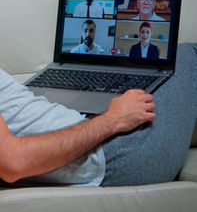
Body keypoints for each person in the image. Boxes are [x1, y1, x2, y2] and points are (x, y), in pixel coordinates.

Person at [0, 43, 196, 186]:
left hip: (89, 141)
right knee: (189, 53)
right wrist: (111, 120)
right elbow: (14, 162)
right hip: (115, 157)